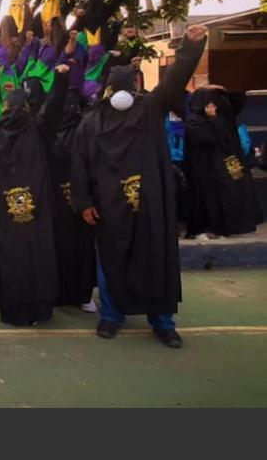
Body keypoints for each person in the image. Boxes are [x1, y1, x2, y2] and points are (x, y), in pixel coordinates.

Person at [71, 25, 210, 349]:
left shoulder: (149, 110)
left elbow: (174, 78)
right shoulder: (91, 122)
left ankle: (162, 321)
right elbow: (80, 163)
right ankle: (111, 315)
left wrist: (191, 45)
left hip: (150, 204)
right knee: (110, 261)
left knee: (155, 260)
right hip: (109, 206)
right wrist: (84, 201)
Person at [0, 64, 70, 326]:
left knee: (9, 257)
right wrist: (61, 79)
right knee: (38, 256)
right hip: (37, 208)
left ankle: (12, 311)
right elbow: (53, 109)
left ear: (5, 107)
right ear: (27, 108)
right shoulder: (37, 131)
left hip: (4, 211)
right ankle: (39, 310)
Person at [184, 85, 263, 238]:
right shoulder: (195, 121)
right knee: (210, 201)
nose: (217, 103)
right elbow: (210, 136)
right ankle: (211, 228)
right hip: (205, 169)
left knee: (230, 196)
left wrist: (222, 90)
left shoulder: (224, 117)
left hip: (224, 165)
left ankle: (227, 227)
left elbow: (239, 100)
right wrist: (212, 118)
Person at [48, 93, 97, 312]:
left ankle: (81, 293)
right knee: (66, 247)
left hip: (80, 199)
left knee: (81, 247)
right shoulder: (49, 133)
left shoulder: (86, 131)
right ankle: (69, 293)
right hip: (59, 199)